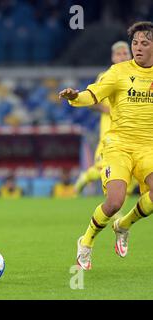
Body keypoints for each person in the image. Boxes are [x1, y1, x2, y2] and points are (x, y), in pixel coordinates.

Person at [59, 21, 153, 270]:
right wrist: (75, 96)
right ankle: (86, 240)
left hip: (148, 147)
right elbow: (93, 94)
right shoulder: (119, 72)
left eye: (145, 43)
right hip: (119, 145)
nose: (138, 48)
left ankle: (124, 225)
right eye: (135, 43)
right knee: (114, 202)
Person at [74, 41, 137, 195]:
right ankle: (87, 177)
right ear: (113, 57)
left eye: (125, 53)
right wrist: (108, 109)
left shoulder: (138, 77)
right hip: (110, 130)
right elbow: (91, 102)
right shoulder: (105, 76)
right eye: (119, 54)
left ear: (130, 55)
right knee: (106, 167)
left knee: (133, 171)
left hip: (132, 131)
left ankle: (117, 206)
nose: (122, 57)